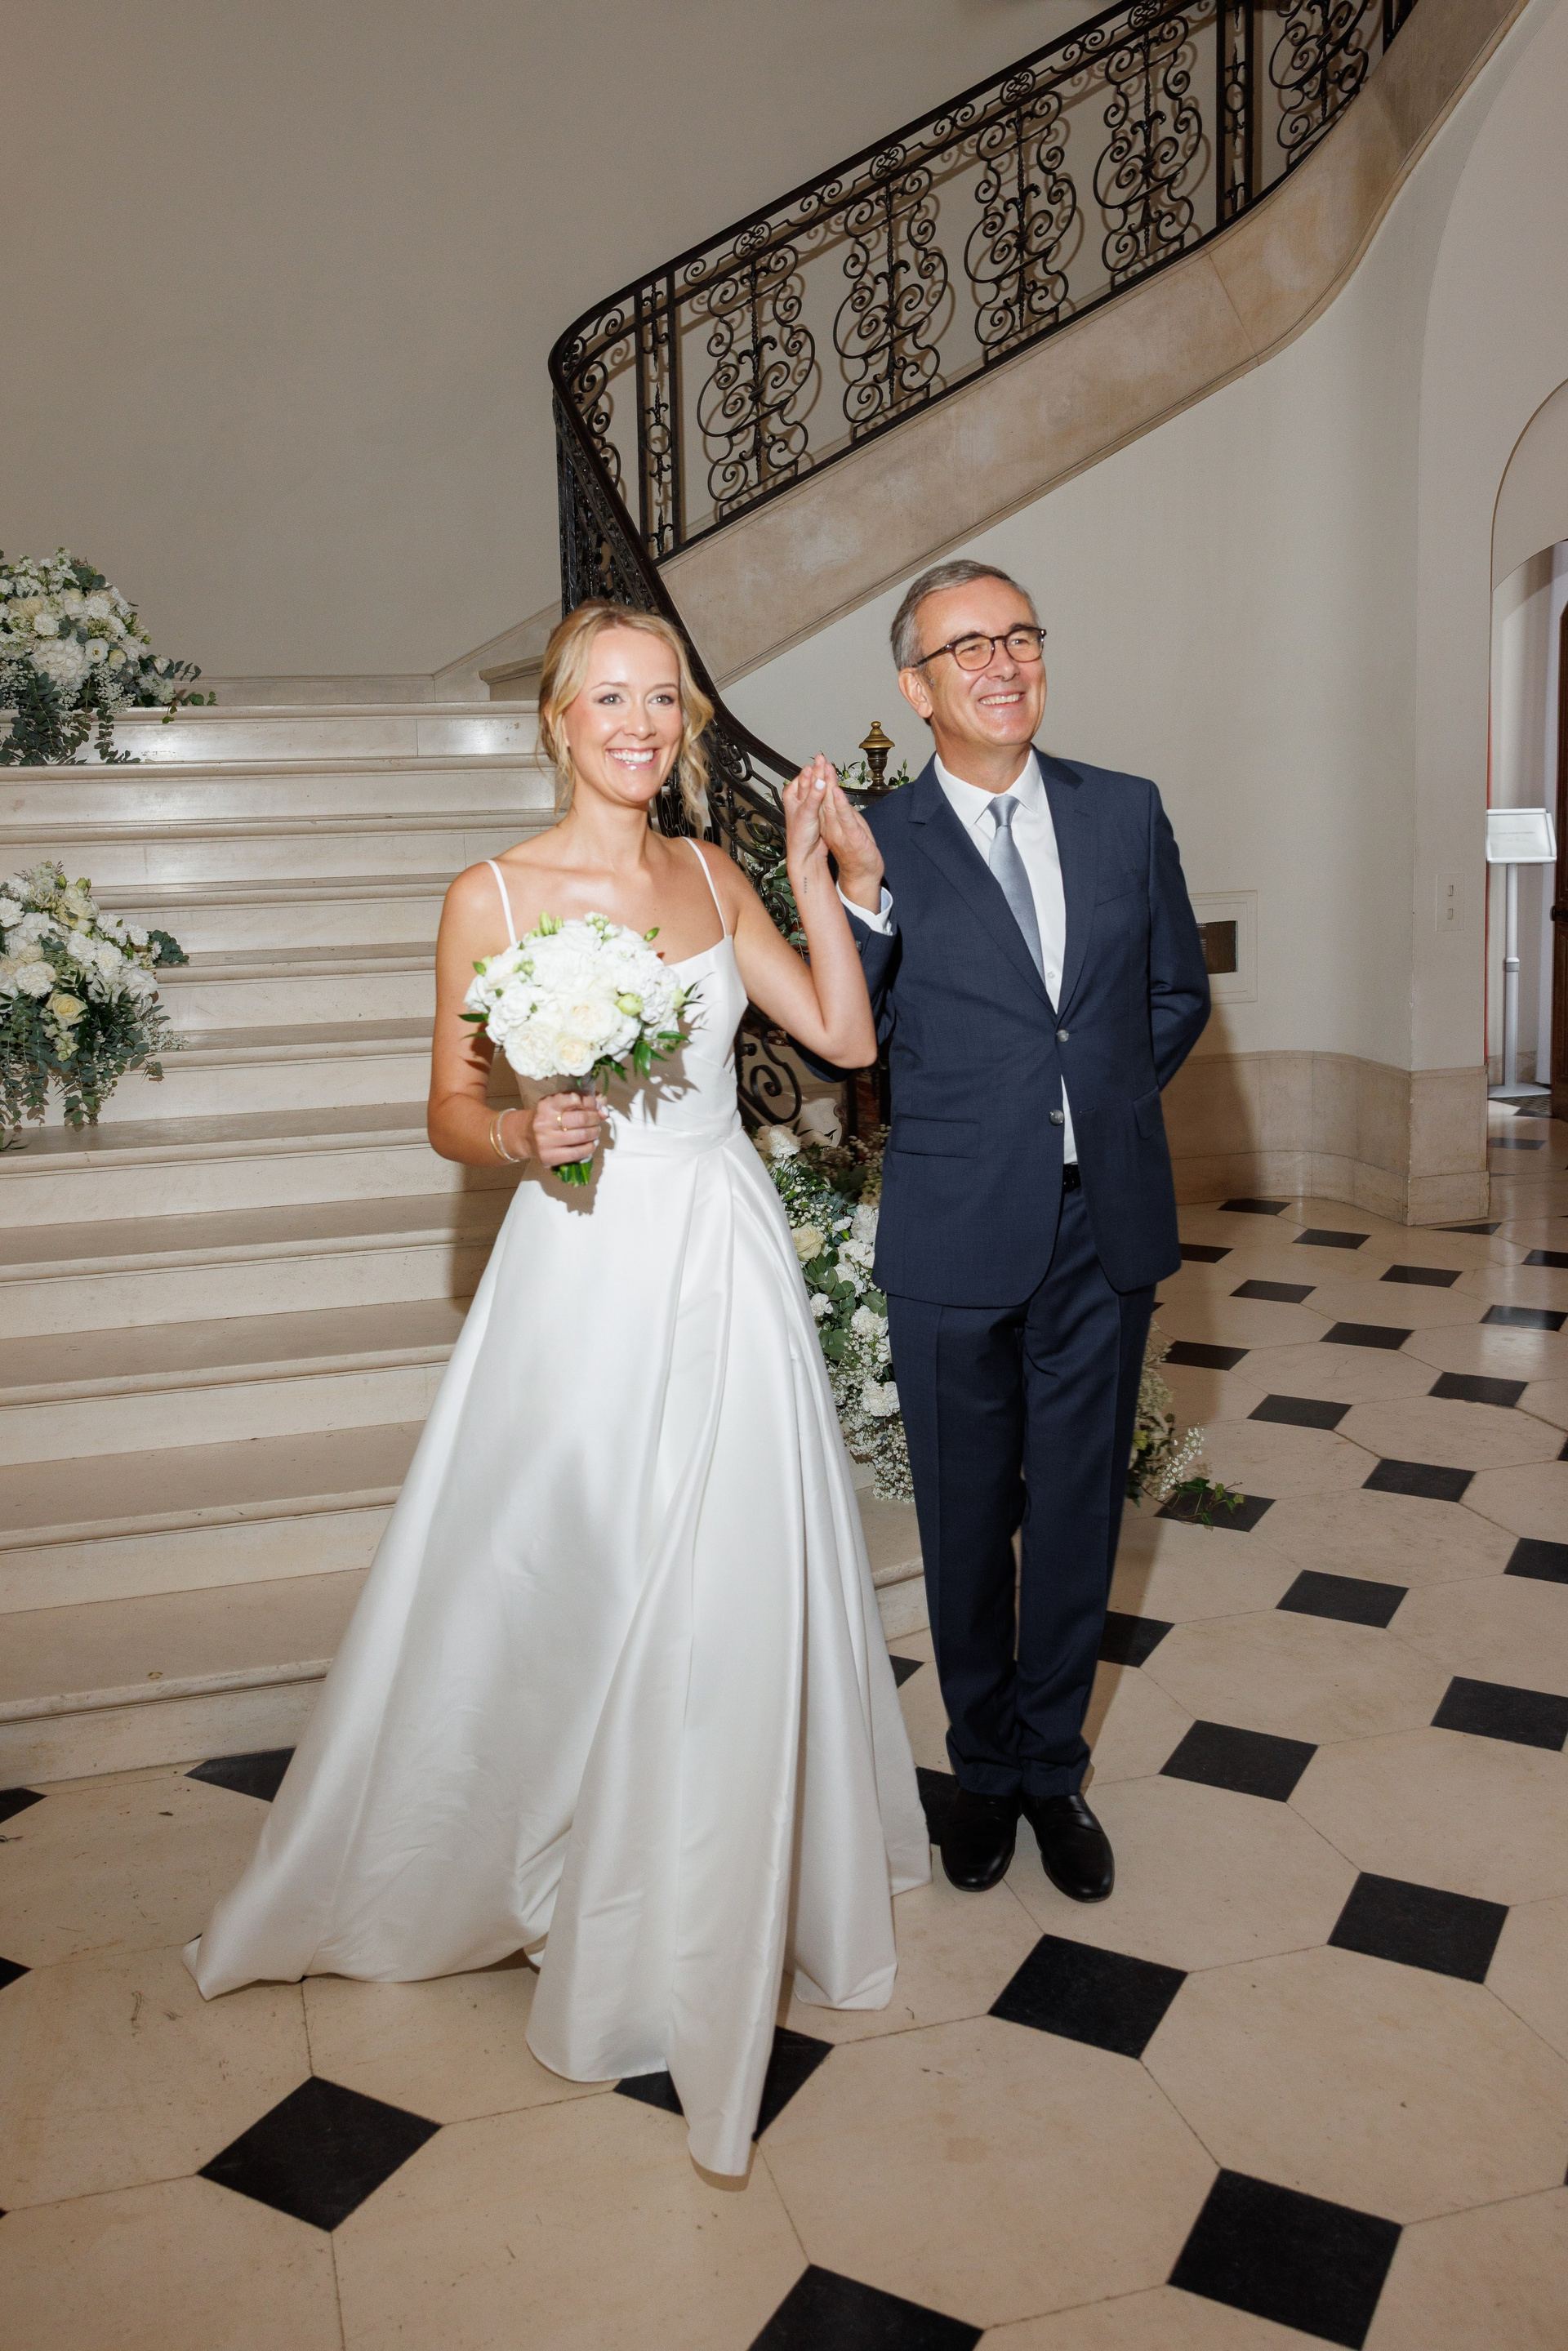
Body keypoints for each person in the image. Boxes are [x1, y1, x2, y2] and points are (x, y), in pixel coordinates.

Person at [184, 600, 928, 2178]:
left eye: (664, 699)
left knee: (720, 1576)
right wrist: (523, 1133)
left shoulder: (712, 875)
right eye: (611, 698)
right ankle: (545, 1845)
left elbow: (844, 1035)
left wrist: (820, 878)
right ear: (557, 719)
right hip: (580, 1265)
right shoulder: (493, 894)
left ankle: (691, 1889)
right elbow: (450, 1109)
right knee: (570, 1572)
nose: (641, 724)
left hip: (720, 1250)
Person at [826, 556, 1209, 1901]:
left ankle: (1053, 1769)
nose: (1002, 664)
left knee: (1081, 1511)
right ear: (916, 687)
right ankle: (981, 1768)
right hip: (950, 1227)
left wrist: (1095, 1110)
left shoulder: (1125, 811)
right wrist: (858, 898)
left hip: (1102, 1225)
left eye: (1020, 637)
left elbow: (1176, 995)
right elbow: (837, 1036)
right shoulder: (875, 837)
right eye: (967, 648)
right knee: (966, 1513)